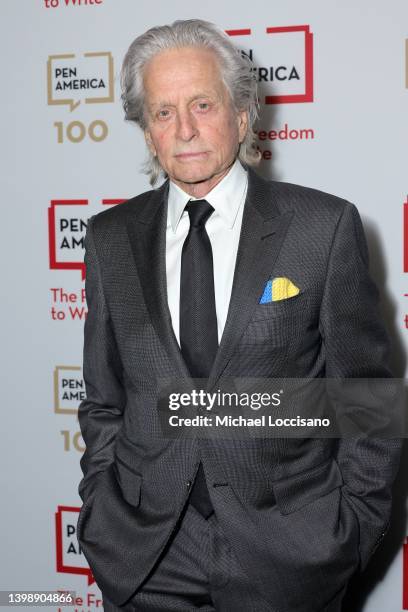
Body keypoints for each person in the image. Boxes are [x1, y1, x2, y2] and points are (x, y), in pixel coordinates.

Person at [77, 19, 401, 612]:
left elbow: (369, 399)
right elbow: (104, 399)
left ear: (243, 114)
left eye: (203, 104)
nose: (186, 129)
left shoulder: (321, 229)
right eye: (164, 112)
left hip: (289, 557)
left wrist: (349, 534)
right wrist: (102, 505)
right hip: (147, 557)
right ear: (148, 133)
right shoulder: (109, 238)